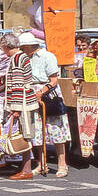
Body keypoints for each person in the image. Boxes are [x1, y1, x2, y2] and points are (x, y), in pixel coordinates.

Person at [29, 40, 70, 177]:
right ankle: (41, 163)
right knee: (37, 131)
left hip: (47, 93)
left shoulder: (48, 56)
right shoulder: (25, 58)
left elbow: (54, 80)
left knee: (55, 129)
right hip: (33, 93)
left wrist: (42, 92)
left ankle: (62, 164)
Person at [3, 33, 41, 180]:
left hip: (23, 103)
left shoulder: (18, 59)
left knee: (24, 135)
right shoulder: (21, 57)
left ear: (6, 46)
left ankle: (26, 170)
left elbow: (18, 84)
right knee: (25, 135)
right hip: (25, 101)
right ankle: (25, 169)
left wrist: (16, 108)